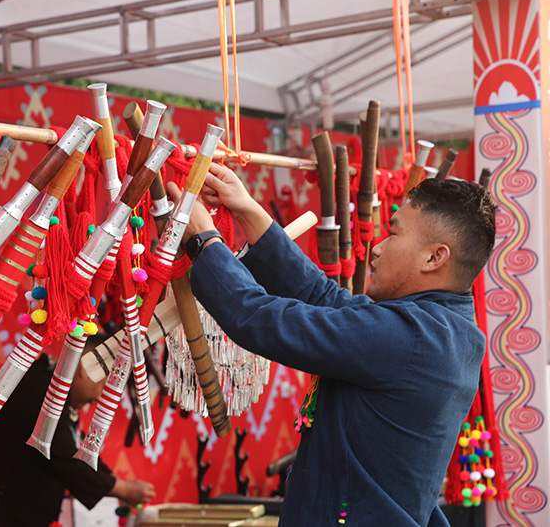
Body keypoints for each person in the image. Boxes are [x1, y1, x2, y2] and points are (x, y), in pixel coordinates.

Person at [166, 165, 496, 526]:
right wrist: (247, 209)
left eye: (393, 234)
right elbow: (323, 298)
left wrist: (205, 242)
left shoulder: (412, 338)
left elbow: (261, 319)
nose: (378, 248)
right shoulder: (445, 330)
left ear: (435, 257)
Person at [0, 336, 156, 527]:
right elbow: (66, 457)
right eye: (104, 385)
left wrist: (113, 482)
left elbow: (79, 453)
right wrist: (122, 488)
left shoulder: (52, 389)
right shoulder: (42, 389)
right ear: (86, 368)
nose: (99, 398)